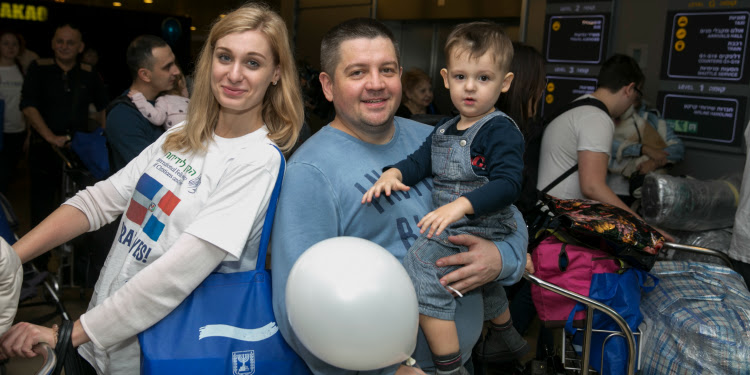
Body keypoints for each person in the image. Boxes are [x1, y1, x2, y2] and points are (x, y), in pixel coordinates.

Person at [0, 4, 303, 374]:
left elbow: (176, 273)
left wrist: (69, 332)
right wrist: (10, 259)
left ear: (276, 74)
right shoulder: (182, 134)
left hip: (159, 352)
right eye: (225, 57)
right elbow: (100, 201)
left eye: (253, 63)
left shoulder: (258, 159)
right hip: (101, 335)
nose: (234, 74)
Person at [271, 17, 528, 375]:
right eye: (358, 72)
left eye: (387, 70)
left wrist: (502, 259)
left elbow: (507, 211)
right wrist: (384, 371)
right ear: (328, 86)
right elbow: (296, 303)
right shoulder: (311, 171)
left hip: (465, 360)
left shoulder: (433, 137)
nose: (376, 84)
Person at [361, 22, 525, 374]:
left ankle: (449, 368)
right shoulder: (444, 129)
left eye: (484, 78)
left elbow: (510, 184)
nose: (470, 87)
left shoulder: (501, 130)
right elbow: (421, 161)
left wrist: (462, 205)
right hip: (462, 220)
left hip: (484, 221)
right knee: (480, 278)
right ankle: (505, 333)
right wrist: (395, 173)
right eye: (462, 76)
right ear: (447, 78)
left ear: (505, 83)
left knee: (420, 269)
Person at [20, 23, 109, 238]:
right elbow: (28, 106)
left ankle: (73, 261)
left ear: (80, 47)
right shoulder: (39, 68)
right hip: (45, 148)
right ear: (52, 43)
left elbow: (103, 108)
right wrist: (50, 137)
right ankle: (40, 263)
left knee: (78, 207)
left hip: (79, 152)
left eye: (70, 43)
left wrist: (102, 138)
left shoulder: (89, 73)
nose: (64, 46)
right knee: (42, 205)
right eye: (60, 41)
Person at [105, 35, 180, 173]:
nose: (176, 71)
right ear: (145, 75)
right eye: (167, 67)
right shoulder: (123, 116)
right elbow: (153, 172)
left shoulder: (168, 100)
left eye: (174, 63)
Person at [607, 101, 684, 205]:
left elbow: (678, 148)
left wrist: (654, 163)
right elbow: (604, 145)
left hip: (644, 190)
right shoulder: (605, 114)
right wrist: (642, 149)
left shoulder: (652, 118)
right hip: (610, 189)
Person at [0, 31, 26, 194]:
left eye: (14, 44)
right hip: (0, 132)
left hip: (17, 131)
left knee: (7, 175)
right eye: (6, 43)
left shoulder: (22, 70)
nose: (10, 48)